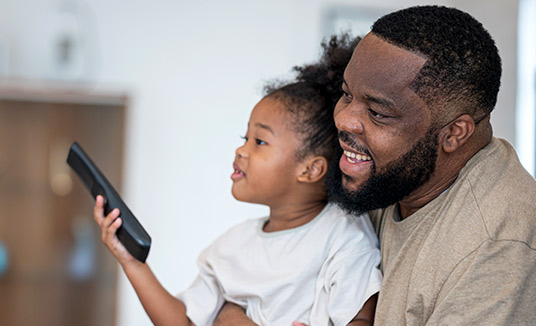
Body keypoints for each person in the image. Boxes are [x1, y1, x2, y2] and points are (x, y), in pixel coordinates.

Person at [215, 5, 536, 326]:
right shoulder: (384, 173)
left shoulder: (499, 250)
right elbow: (250, 290)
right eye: (346, 94)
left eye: (378, 113)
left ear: (453, 133)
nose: (343, 120)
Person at [94, 34, 382, 326]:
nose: (240, 150)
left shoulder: (344, 235)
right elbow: (183, 322)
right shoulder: (231, 248)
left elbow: (360, 317)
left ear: (310, 170)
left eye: (259, 141)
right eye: (245, 138)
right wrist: (132, 263)